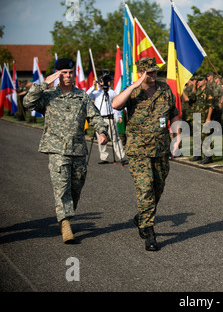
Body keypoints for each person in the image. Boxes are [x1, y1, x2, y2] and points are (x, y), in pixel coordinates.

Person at [23, 58, 108, 244]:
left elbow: (94, 115)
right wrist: (45, 83)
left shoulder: (81, 95)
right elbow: (28, 103)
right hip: (56, 149)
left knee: (76, 187)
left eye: (70, 72)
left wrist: (101, 131)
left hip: (78, 148)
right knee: (61, 187)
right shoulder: (48, 95)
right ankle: (65, 223)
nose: (68, 76)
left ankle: (67, 216)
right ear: (57, 74)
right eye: (63, 73)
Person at [112, 57, 180, 251]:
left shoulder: (164, 89)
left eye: (155, 71)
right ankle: (149, 232)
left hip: (160, 148)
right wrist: (135, 84)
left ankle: (142, 217)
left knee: (158, 186)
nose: (153, 74)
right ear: (141, 72)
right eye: (149, 72)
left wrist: (177, 136)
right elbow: (116, 105)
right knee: (145, 189)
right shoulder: (132, 91)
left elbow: (173, 112)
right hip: (138, 150)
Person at [89, 77, 127, 165]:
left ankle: (121, 156)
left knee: (115, 137)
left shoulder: (112, 92)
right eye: (101, 81)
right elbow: (86, 95)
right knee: (101, 139)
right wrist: (92, 87)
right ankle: (103, 157)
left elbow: (117, 103)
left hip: (109, 117)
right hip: (99, 119)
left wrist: (119, 115)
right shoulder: (96, 93)